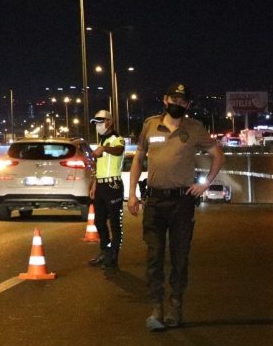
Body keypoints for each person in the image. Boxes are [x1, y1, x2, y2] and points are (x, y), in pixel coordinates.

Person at [128, 82, 225, 331]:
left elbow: (217, 154)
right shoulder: (150, 125)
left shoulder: (194, 128)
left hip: (182, 202)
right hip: (155, 201)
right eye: (174, 99)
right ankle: (157, 307)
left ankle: (176, 306)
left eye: (183, 101)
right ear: (165, 99)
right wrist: (131, 194)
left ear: (188, 105)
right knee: (154, 256)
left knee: (180, 257)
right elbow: (139, 158)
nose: (178, 104)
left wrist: (205, 184)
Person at [87, 109, 126, 269]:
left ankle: (113, 256)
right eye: (95, 123)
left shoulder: (117, 139)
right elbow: (99, 165)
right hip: (101, 186)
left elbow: (120, 150)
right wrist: (94, 184)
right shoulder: (102, 142)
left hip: (113, 185)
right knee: (99, 221)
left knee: (115, 223)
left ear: (109, 122)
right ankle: (105, 250)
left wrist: (105, 150)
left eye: (100, 122)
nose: (97, 126)